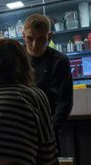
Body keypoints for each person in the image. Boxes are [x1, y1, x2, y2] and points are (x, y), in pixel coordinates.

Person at [23, 14, 73, 151]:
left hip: (49, 129)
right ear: (23, 36)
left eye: (41, 39)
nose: (34, 45)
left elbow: (65, 101)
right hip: (20, 130)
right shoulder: (16, 59)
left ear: (49, 37)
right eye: (30, 39)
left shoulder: (60, 61)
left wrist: (50, 129)